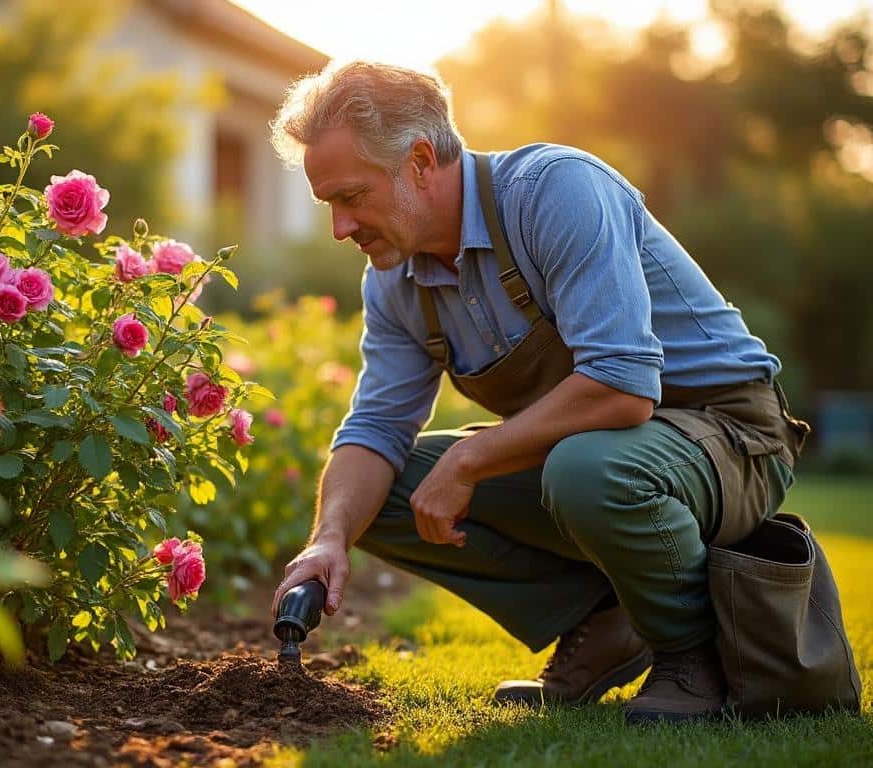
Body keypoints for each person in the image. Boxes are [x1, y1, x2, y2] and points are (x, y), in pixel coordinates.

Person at [266, 61, 809, 725]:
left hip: (729, 432)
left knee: (586, 470)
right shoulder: (394, 281)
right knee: (372, 497)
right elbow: (376, 425)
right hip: (606, 452)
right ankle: (609, 619)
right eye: (330, 205)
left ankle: (691, 655)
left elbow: (622, 385)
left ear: (418, 160)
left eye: (351, 197)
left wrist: (469, 460)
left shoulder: (555, 192)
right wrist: (328, 537)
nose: (340, 228)